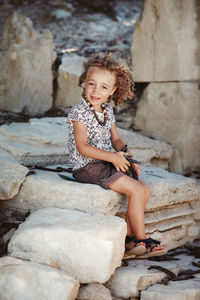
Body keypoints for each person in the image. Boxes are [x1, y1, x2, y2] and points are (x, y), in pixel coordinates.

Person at [67, 52, 167, 259]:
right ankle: (142, 240)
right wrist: (114, 158)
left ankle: (129, 240)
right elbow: (83, 147)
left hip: (105, 163)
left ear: (112, 90)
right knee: (136, 191)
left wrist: (127, 157)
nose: (96, 91)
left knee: (144, 188)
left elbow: (116, 141)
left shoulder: (107, 111)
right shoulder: (79, 113)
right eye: (92, 84)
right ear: (84, 82)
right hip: (88, 167)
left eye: (104, 87)